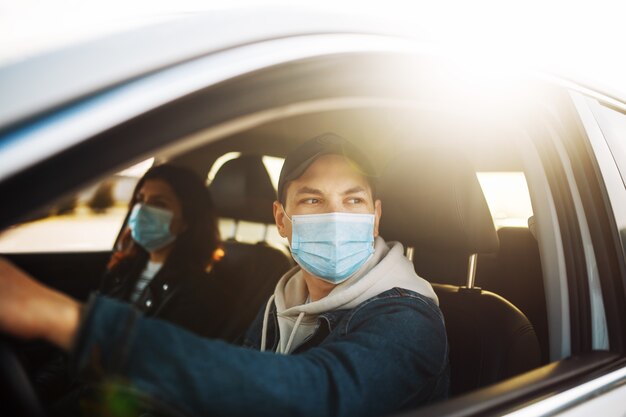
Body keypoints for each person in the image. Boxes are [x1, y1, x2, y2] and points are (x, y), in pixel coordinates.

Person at [0, 133, 449, 417]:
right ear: (281, 220)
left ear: (375, 217)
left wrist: (67, 321)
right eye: (312, 200)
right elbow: (237, 377)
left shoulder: (408, 317)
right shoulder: (285, 296)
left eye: (353, 201)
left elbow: (313, 396)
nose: (335, 215)